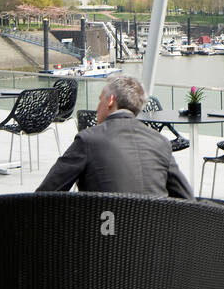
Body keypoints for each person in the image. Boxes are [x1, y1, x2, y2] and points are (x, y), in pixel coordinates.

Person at [37, 73, 193, 198]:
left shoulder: (88, 140)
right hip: (152, 235)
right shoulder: (161, 142)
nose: (97, 108)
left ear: (110, 101)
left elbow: (46, 193)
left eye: (100, 101)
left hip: (103, 233)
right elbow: (187, 198)